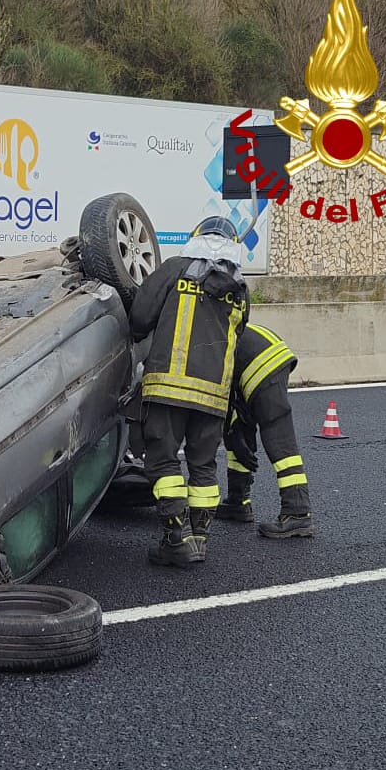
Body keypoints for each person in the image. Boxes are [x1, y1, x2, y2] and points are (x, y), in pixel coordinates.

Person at [130, 216, 249, 567]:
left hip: (168, 387)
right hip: (213, 396)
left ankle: (173, 541)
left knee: (164, 461)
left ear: (195, 237)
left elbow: (139, 318)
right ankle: (199, 541)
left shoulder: (174, 270)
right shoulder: (240, 287)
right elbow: (238, 335)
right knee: (203, 467)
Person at [216, 323, 315, 538]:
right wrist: (234, 429)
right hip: (260, 357)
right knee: (238, 431)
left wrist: (233, 428)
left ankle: (297, 512)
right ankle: (238, 501)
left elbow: (218, 395)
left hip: (262, 364)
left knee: (277, 435)